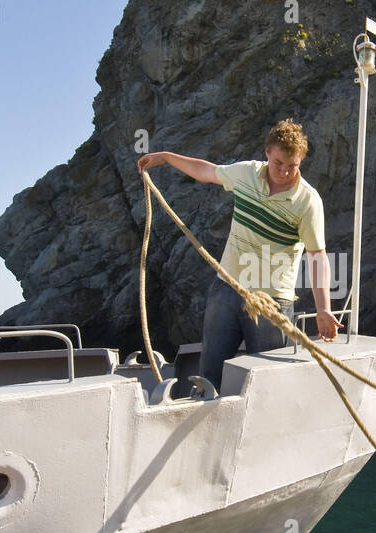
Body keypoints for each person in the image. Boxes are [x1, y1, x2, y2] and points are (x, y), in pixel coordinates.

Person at [137, 118, 341, 393]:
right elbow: (206, 171)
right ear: (267, 152)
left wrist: (323, 309)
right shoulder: (246, 174)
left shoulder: (308, 201)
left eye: (292, 166)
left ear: (301, 161)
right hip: (227, 288)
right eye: (278, 163)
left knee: (268, 379)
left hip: (272, 302)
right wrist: (166, 157)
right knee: (209, 374)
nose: (284, 171)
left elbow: (317, 257)